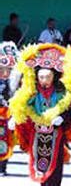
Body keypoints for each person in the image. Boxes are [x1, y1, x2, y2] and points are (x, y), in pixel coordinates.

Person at [9, 44, 71, 186]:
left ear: (54, 77)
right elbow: (23, 106)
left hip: (56, 134)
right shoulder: (33, 93)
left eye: (48, 77)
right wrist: (15, 117)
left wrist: (62, 118)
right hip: (38, 134)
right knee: (39, 167)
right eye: (41, 77)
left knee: (56, 170)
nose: (44, 80)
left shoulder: (61, 94)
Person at [0, 42, 20, 176]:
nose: (5, 72)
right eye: (2, 69)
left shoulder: (15, 80)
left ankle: (3, 166)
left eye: (9, 69)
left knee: (6, 140)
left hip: (7, 114)